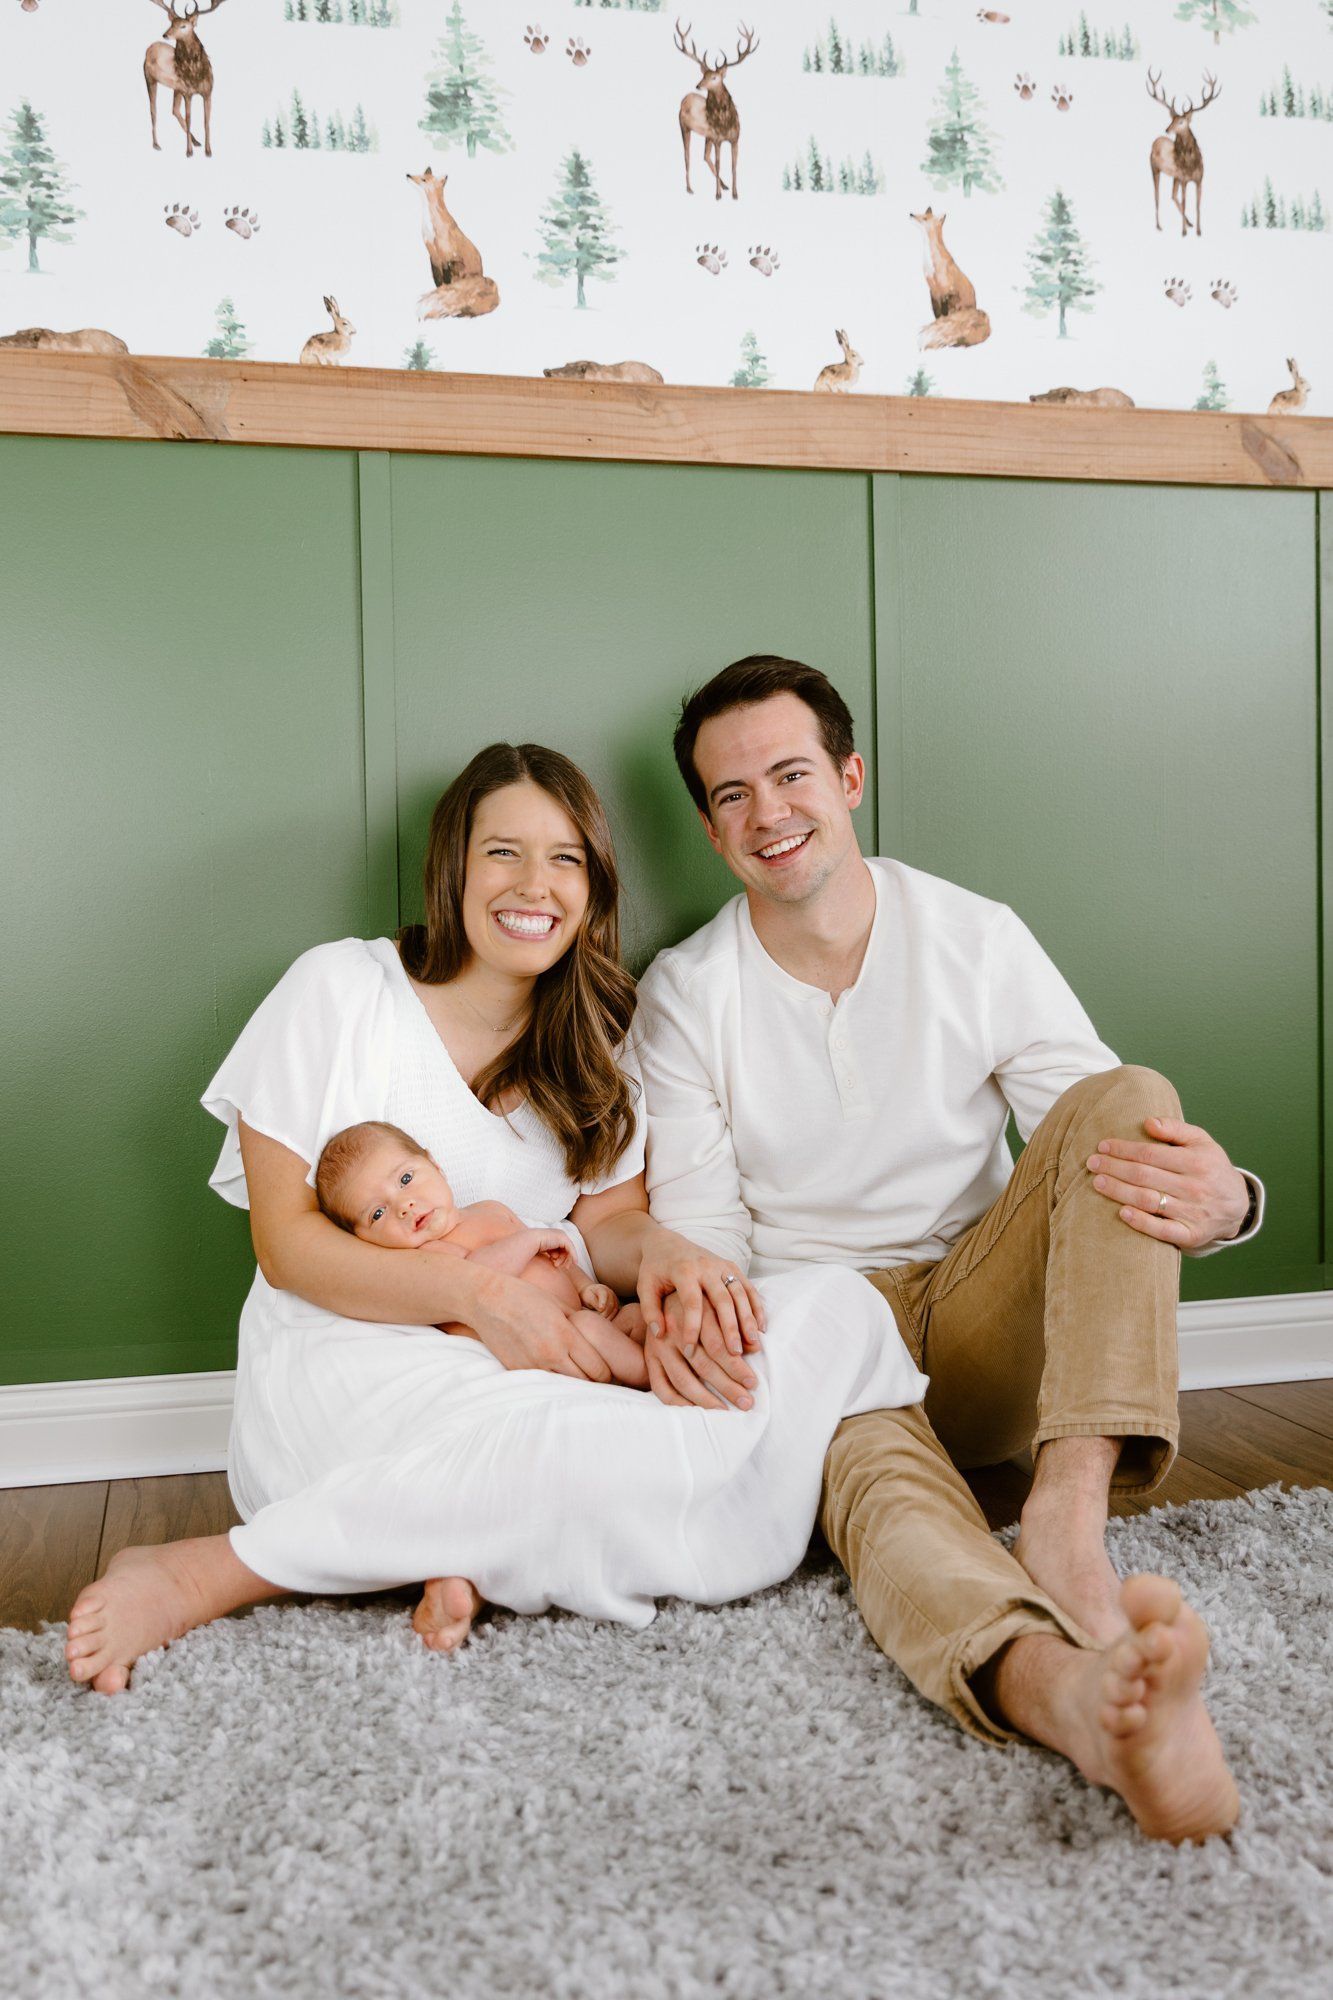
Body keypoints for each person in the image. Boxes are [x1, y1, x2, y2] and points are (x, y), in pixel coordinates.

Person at [64, 742, 926, 1690]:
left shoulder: (599, 1038)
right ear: (452, 868)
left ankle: (453, 1542)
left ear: (593, 886)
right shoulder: (339, 991)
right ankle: (210, 1569)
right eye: (501, 852)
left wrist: (672, 1262)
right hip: (359, 1350)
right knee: (573, 1449)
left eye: (565, 859)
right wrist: (479, 1298)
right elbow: (288, 1247)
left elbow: (610, 1227)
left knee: (833, 1314)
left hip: (545, 1358)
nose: (535, 885)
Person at [633, 653, 1264, 1844]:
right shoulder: (684, 995)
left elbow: (1106, 1142)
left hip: (983, 1308)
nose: (767, 812)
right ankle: (1075, 1701)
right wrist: (718, 1352)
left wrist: (1229, 1198)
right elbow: (708, 1241)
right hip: (823, 1332)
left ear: (850, 776)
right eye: (730, 794)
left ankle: (1064, 1527)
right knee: (888, 1514)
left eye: (789, 773)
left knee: (1130, 1092)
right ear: (711, 828)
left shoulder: (974, 934)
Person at [314, 1117, 651, 1386]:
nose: (404, 1205)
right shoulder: (427, 1258)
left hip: (583, 1314)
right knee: (591, 1331)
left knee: (634, 1316)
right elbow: (478, 1274)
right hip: (551, 1344)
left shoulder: (490, 1209)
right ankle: (652, 1381)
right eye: (377, 1213)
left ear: (434, 1164)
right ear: (363, 1239)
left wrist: (584, 1287)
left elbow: (556, 1257)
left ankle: (661, 1364)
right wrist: (531, 1240)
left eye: (405, 1179)